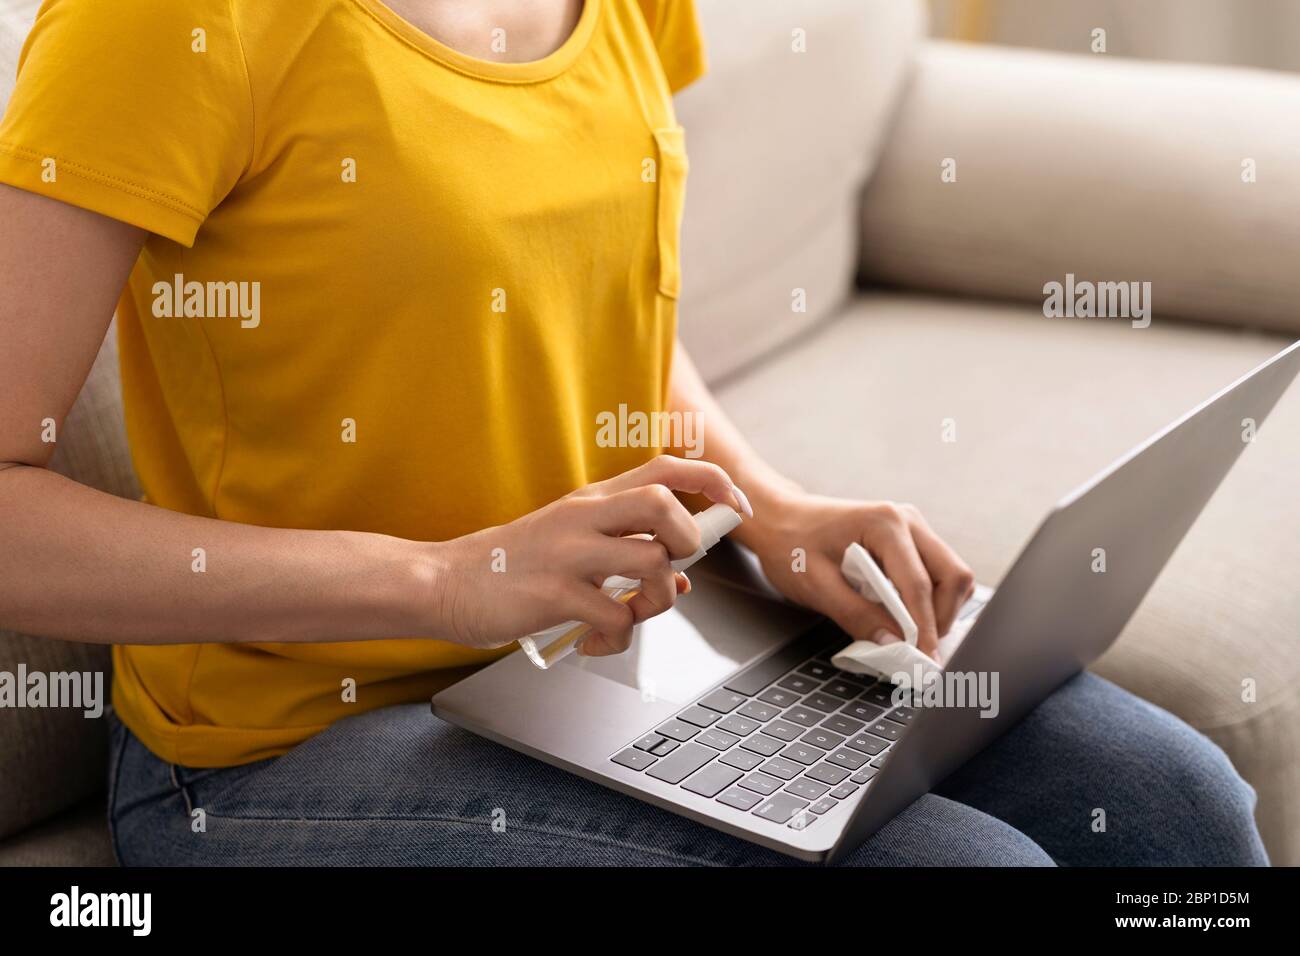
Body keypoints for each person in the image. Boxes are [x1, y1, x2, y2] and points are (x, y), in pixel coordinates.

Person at [0, 0, 1267, 866]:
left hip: (621, 665)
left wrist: (771, 510)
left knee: (1175, 802)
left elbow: (593, 309)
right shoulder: (157, 23)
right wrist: (451, 578)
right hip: (278, 749)